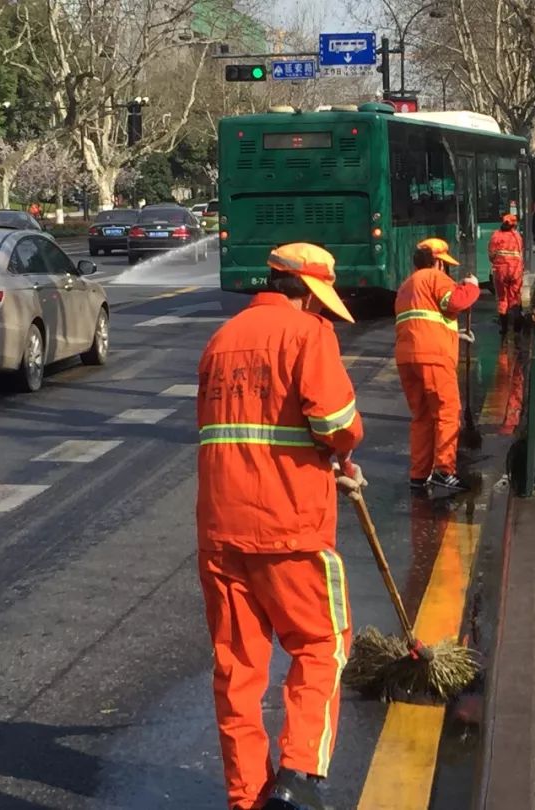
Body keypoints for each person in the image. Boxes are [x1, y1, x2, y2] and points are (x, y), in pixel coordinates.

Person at [196, 242, 365, 810]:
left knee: (238, 669)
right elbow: (333, 420)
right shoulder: (308, 334)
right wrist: (340, 455)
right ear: (309, 294)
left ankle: (248, 798)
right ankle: (298, 774)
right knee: (322, 643)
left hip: (221, 528)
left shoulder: (222, 340)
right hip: (289, 524)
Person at [395, 237, 481, 492]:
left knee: (421, 416)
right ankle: (444, 470)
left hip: (407, 358)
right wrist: (472, 287)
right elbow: (454, 302)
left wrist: (455, 334)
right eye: (444, 263)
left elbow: (425, 319)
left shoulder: (405, 286)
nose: (447, 268)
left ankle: (419, 474)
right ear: (436, 262)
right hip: (433, 357)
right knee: (446, 412)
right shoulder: (435, 278)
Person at [488, 213, 525, 337]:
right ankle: (517, 327)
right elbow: (520, 253)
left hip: (500, 272)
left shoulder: (496, 236)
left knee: (502, 299)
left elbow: (491, 256)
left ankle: (504, 329)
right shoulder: (517, 237)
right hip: (515, 271)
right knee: (514, 297)